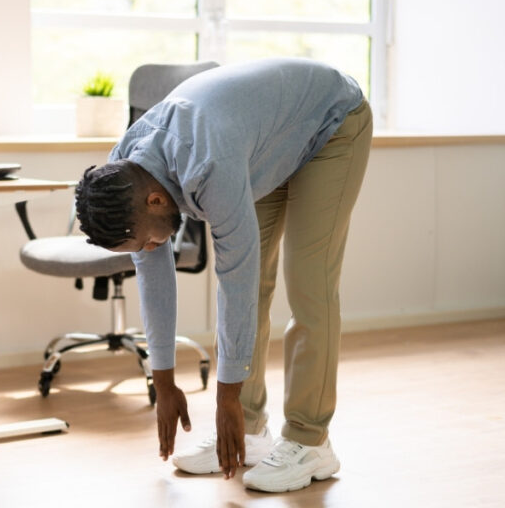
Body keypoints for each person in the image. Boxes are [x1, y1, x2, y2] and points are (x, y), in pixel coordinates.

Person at [74, 57, 372, 493]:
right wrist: (164, 381)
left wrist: (224, 396)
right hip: (266, 138)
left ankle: (311, 441)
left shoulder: (209, 166)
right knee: (258, 289)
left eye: (147, 242)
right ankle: (248, 430)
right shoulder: (124, 173)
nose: (150, 250)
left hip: (331, 122)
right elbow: (156, 277)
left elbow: (235, 279)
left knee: (309, 283)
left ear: (157, 201)